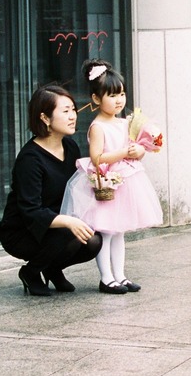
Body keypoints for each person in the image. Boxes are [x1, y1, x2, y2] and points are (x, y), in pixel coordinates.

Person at [61, 59, 162, 294]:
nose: (119, 100)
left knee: (119, 233)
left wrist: (140, 151)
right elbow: (97, 157)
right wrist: (123, 153)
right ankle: (106, 278)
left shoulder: (125, 123)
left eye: (122, 94)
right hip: (107, 183)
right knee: (106, 232)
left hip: (125, 182)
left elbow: (135, 146)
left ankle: (121, 276)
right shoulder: (98, 127)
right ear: (96, 99)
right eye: (112, 95)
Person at [0, 85, 102, 297]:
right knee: (69, 233)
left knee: (93, 241)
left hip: (55, 226)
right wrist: (69, 221)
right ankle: (31, 272)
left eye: (73, 109)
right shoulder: (30, 159)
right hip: (22, 230)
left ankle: (52, 268)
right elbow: (30, 211)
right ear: (45, 118)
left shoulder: (70, 147)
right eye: (65, 111)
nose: (73, 116)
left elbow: (74, 189)